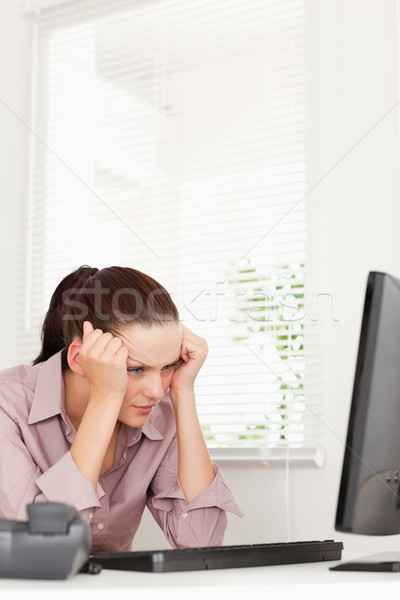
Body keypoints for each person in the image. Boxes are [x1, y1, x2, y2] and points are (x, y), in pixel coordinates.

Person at [0, 265, 242, 553]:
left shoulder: (160, 410)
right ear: (79, 360)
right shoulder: (8, 405)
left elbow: (201, 542)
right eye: (136, 369)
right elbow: (45, 549)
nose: (156, 391)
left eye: (168, 366)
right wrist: (104, 399)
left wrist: (183, 392)